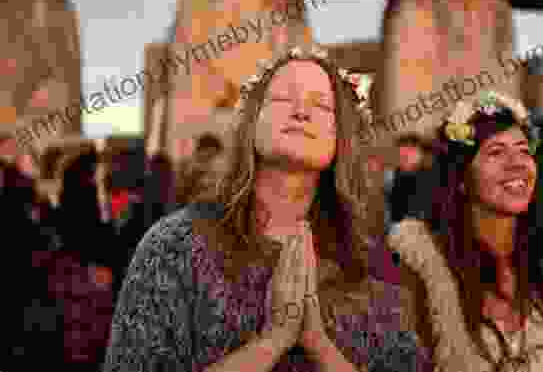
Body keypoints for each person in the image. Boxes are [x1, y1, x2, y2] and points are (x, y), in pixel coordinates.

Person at [103, 44, 424, 372]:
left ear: (341, 133)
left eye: (322, 105)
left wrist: (320, 346)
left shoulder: (373, 266)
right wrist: (271, 342)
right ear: (251, 121)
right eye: (284, 99)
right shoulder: (175, 246)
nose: (301, 112)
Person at [386, 90, 543, 372]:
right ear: (462, 178)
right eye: (496, 152)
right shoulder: (421, 271)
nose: (517, 164)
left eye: (524, 151)